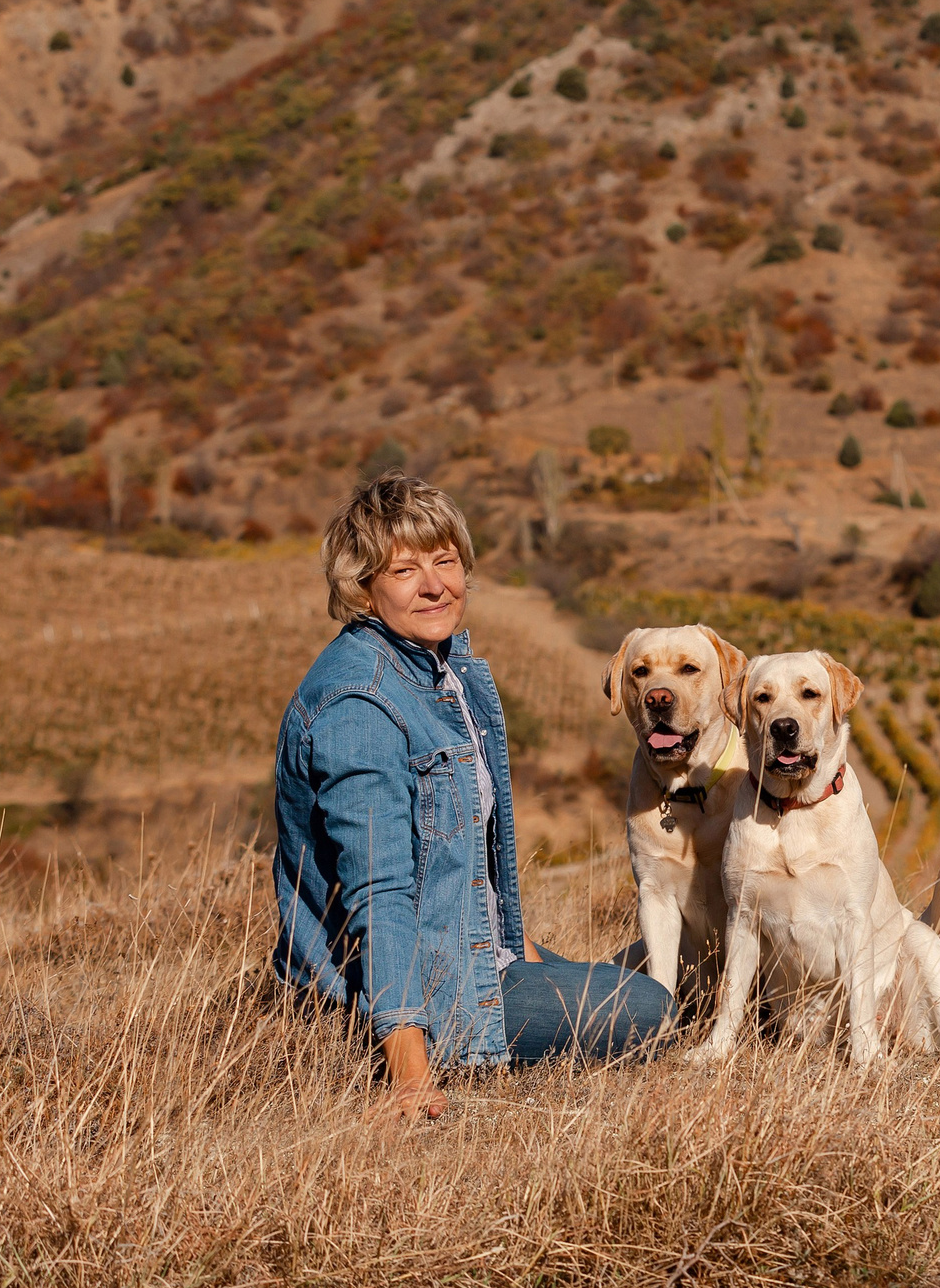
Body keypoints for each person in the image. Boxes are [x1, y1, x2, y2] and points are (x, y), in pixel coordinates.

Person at [271, 472, 672, 1118]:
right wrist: (411, 1076)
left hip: (464, 953)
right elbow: (381, 896)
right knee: (651, 1010)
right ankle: (427, 1045)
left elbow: (463, 866)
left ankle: (527, 976)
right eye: (404, 570)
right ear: (362, 587)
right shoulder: (361, 705)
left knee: (639, 976)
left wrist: (519, 949)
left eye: (445, 559)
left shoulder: (442, 665)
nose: (435, 584)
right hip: (418, 994)